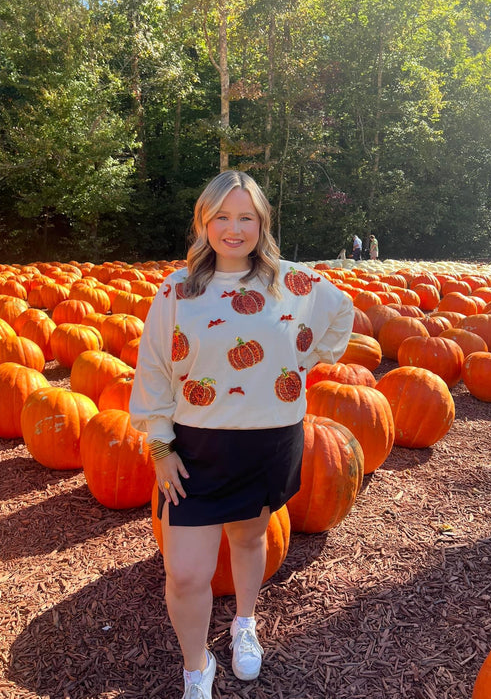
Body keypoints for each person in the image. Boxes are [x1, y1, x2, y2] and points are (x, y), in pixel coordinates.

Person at [129, 170, 354, 699]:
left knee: (250, 539)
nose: (234, 229)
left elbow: (340, 313)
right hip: (196, 447)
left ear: (262, 224)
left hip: (269, 439)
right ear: (204, 222)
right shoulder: (178, 289)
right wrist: (159, 444)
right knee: (186, 573)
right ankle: (196, 667)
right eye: (222, 217)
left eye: (245, 217)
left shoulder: (292, 282)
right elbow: (155, 368)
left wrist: (302, 361)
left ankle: (244, 623)